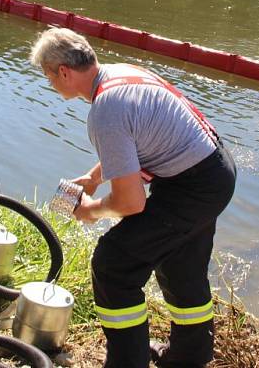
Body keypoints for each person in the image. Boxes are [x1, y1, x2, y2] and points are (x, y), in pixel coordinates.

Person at [30, 27, 237, 368]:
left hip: (193, 185)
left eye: (49, 77)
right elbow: (135, 141)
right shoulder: (120, 74)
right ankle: (189, 358)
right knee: (181, 267)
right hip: (214, 169)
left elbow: (131, 203)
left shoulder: (105, 111)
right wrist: (94, 178)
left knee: (114, 265)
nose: (51, 85)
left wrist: (91, 211)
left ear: (64, 72)